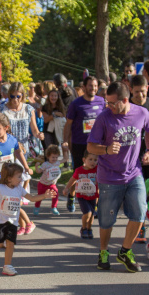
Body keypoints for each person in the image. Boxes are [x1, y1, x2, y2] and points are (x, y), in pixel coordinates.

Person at [86, 81, 149, 272]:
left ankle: (125, 251)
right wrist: (106, 149)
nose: (108, 106)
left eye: (112, 103)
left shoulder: (141, 113)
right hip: (109, 177)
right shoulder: (104, 118)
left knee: (140, 213)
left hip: (134, 173)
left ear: (125, 100)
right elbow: (90, 146)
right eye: (107, 102)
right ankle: (103, 252)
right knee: (107, 220)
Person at [0, 163, 54, 276]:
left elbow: (32, 198)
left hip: (13, 222)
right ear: (9, 178)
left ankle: (7, 266)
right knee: (0, 244)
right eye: (19, 177)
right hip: (0, 221)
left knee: (10, 243)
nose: (21, 179)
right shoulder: (0, 188)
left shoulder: (19, 189)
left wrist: (44, 196)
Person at [64, 76, 105, 212]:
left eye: (95, 86)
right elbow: (68, 124)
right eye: (90, 86)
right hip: (79, 144)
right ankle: (71, 195)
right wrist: (65, 141)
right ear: (84, 87)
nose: (93, 88)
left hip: (96, 145)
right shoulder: (76, 104)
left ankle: (96, 202)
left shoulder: (101, 102)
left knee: (97, 173)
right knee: (79, 173)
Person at [0, 82, 44, 157]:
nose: (15, 99)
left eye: (18, 96)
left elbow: (34, 130)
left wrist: (39, 134)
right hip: (7, 147)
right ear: (9, 95)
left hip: (23, 149)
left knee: (22, 168)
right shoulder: (2, 109)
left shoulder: (28, 109)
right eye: (12, 96)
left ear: (23, 95)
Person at [62, 150, 98, 239]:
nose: (93, 162)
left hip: (94, 196)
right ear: (84, 160)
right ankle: (84, 228)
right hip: (82, 196)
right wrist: (66, 188)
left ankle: (89, 229)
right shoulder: (79, 170)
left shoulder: (98, 170)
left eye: (95, 160)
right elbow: (72, 180)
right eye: (90, 159)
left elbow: (103, 180)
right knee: (88, 213)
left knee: (92, 214)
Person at [33, 144, 62, 215]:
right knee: (40, 196)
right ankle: (37, 207)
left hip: (52, 184)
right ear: (48, 156)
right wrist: (36, 166)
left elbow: (65, 159)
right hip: (42, 184)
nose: (54, 159)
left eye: (56, 157)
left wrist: (65, 150)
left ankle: (54, 207)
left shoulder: (57, 163)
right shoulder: (45, 164)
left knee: (56, 194)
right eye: (53, 157)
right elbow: (38, 171)